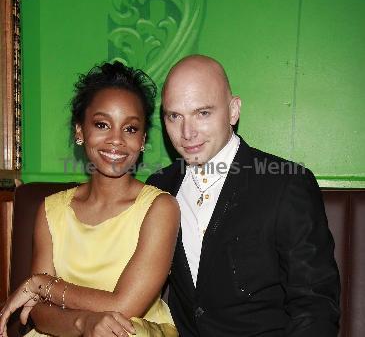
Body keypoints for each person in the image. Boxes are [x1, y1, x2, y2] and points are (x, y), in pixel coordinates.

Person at [147, 55, 341, 336]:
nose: (187, 132)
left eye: (203, 113)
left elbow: (315, 305)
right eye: (174, 116)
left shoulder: (285, 184)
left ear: (233, 110)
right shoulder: (160, 186)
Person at [0, 61, 180, 337]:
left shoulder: (160, 208)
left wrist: (41, 284)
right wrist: (83, 323)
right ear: (80, 131)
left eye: (130, 129)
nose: (116, 140)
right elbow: (38, 312)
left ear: (142, 140)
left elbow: (124, 306)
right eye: (102, 124)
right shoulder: (51, 210)